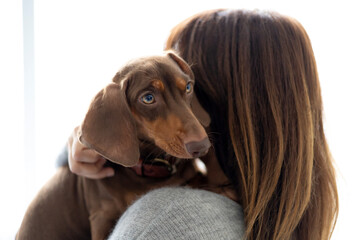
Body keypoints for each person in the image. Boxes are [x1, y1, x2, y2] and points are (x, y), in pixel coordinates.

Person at [51, 9, 340, 240]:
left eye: (186, 87)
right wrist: (83, 142)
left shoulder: (163, 221)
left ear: (213, 100)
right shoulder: (292, 217)